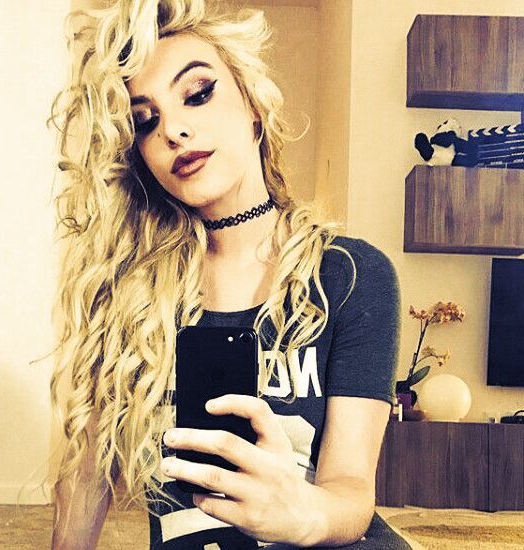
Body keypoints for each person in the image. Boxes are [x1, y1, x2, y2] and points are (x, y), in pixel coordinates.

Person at [48, 1, 410, 549]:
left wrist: (302, 513)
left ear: (254, 106)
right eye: (145, 121)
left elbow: (351, 490)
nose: (174, 129)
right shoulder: (126, 291)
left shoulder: (352, 275)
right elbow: (84, 478)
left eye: (197, 93)